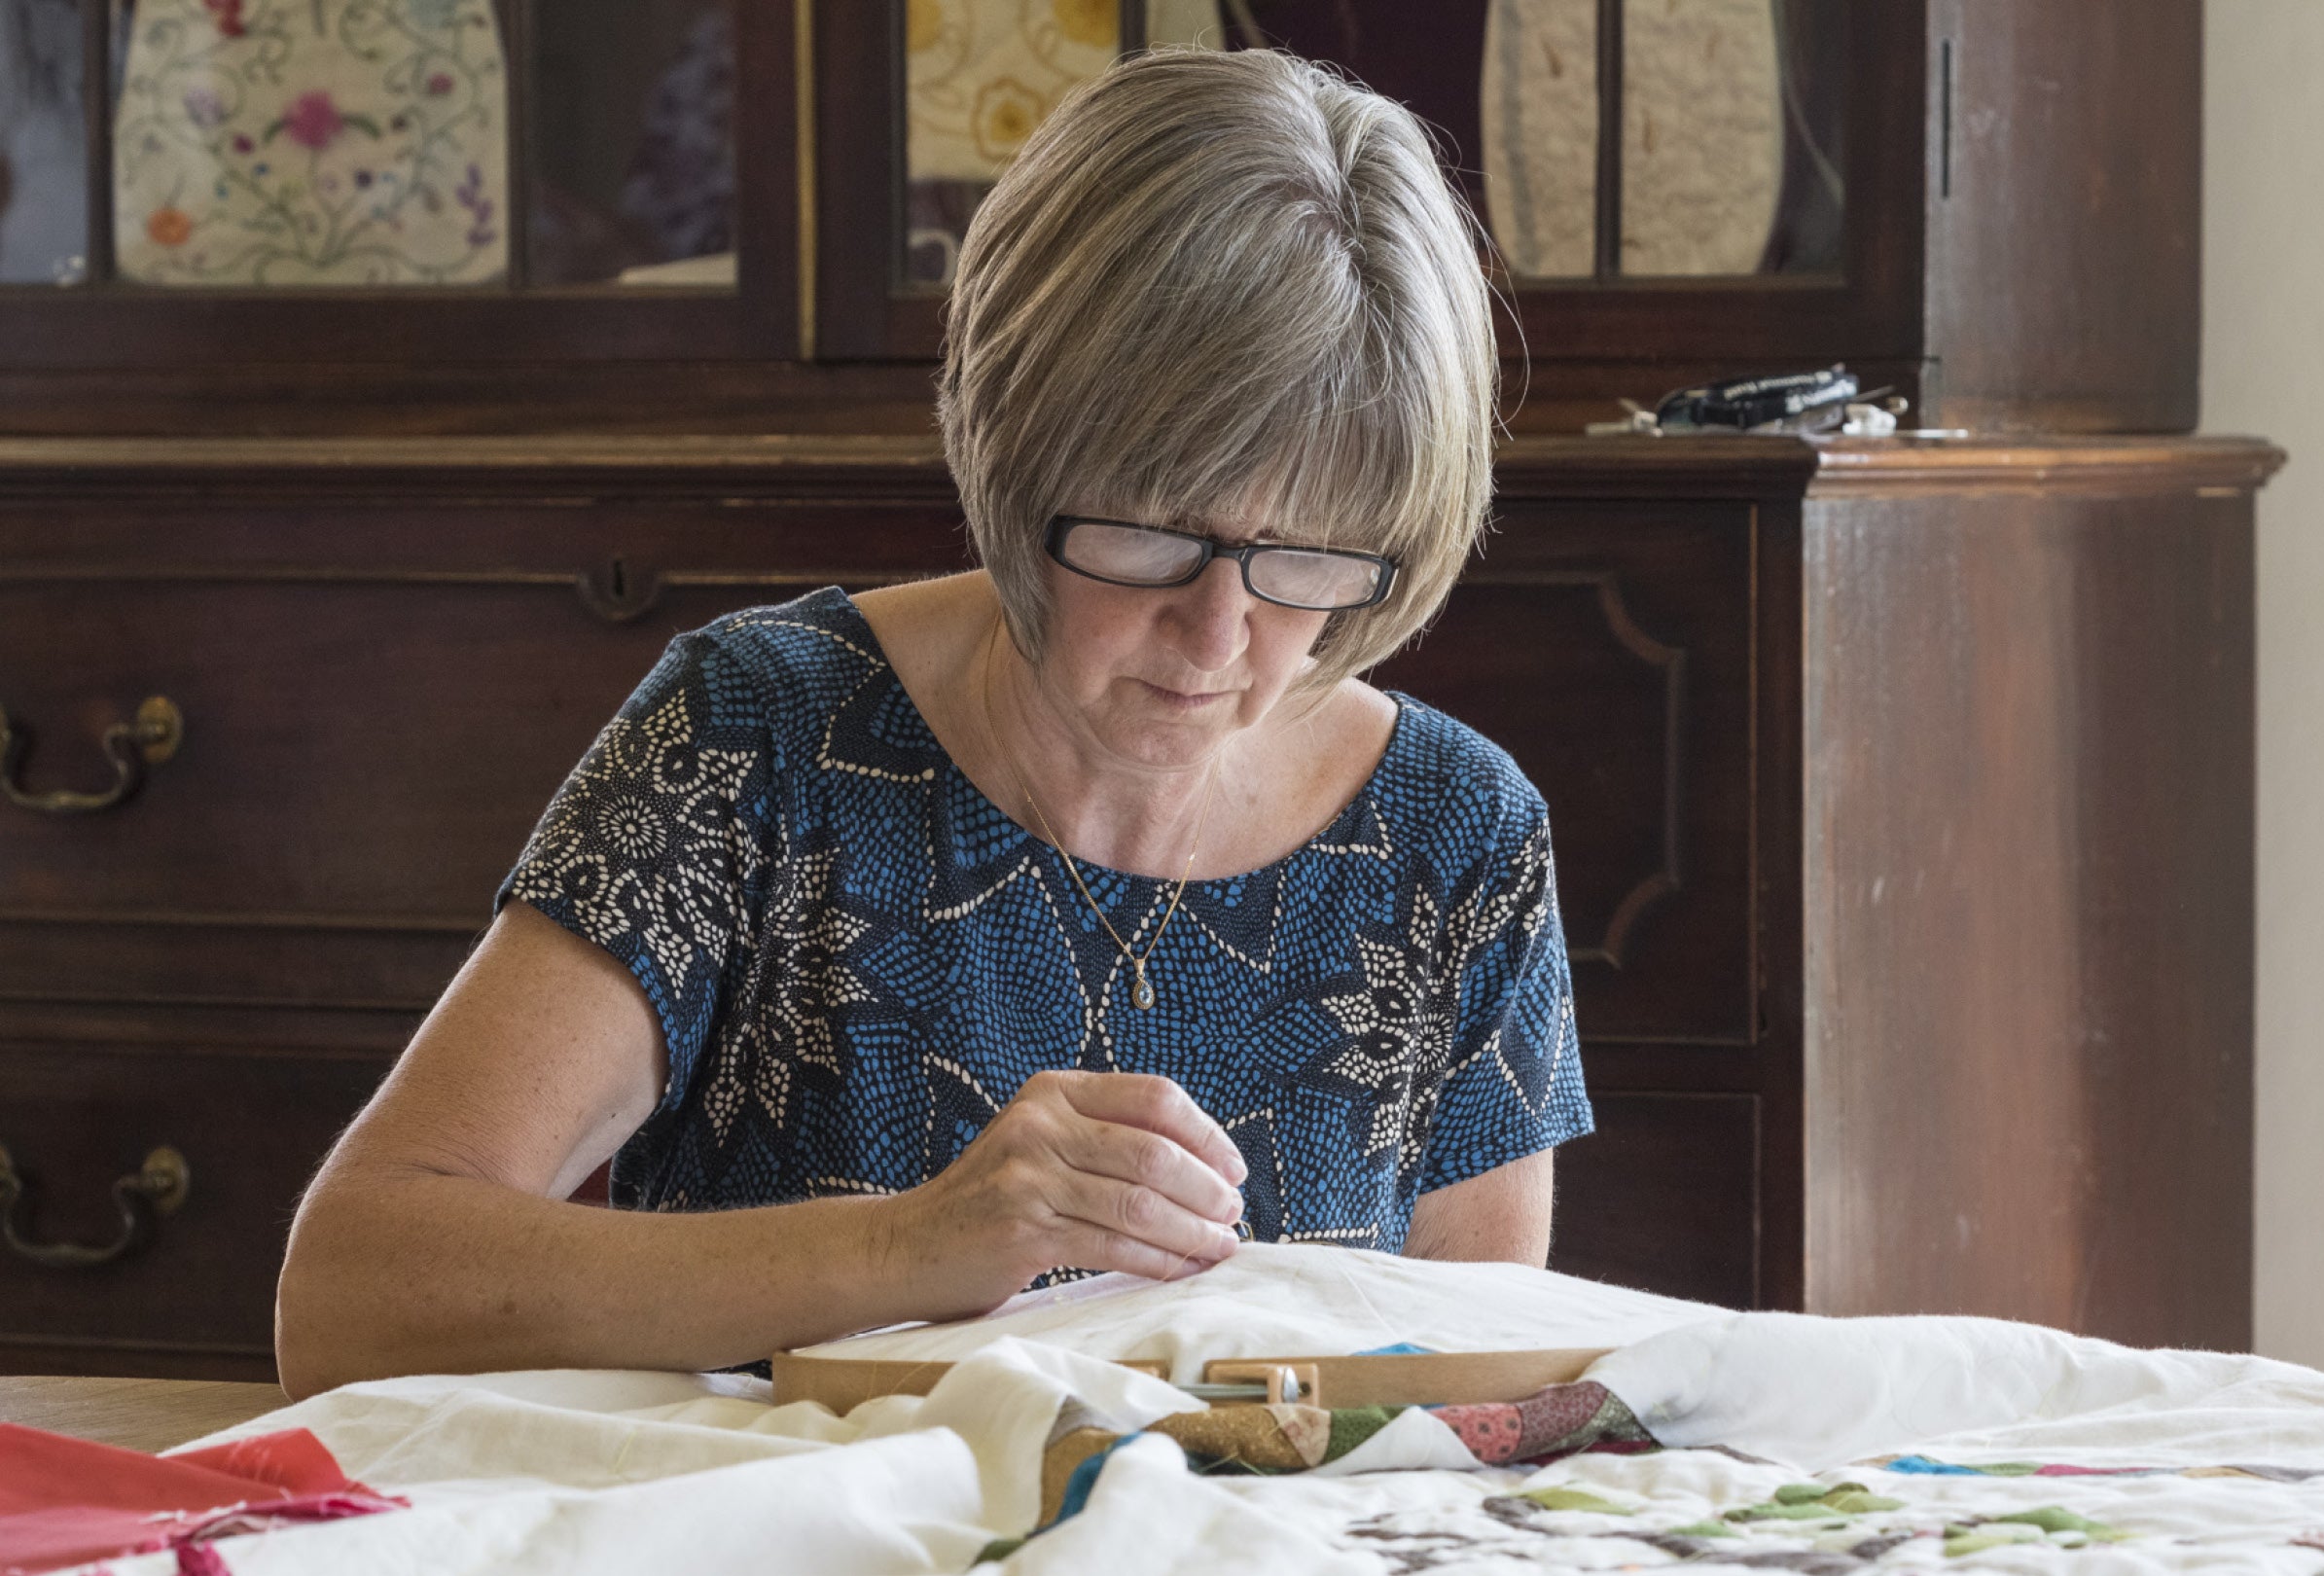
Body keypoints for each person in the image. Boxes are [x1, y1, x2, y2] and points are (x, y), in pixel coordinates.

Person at [274, 48, 1591, 1397]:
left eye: (1308, 558)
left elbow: (1472, 1402)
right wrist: (916, 1245)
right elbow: (355, 1290)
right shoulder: (759, 733)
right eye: (1151, 536)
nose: (1217, 636)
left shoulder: (1454, 830)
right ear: (1019, 456)